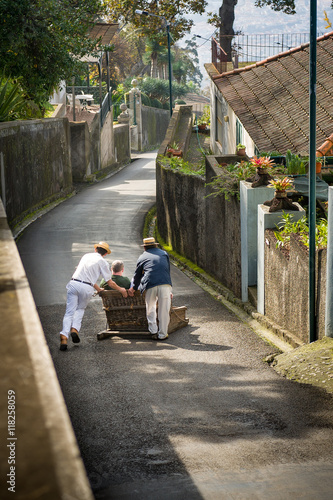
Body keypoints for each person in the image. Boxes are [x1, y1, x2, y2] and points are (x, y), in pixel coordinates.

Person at [59, 242, 128, 351]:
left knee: (69, 312)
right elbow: (109, 282)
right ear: (105, 254)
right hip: (86, 288)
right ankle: (74, 329)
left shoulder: (86, 256)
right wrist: (121, 290)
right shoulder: (103, 262)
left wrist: (98, 289)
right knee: (80, 309)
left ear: (96, 249)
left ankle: (64, 337)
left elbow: (85, 276)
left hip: (74, 283)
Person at [128, 237, 172, 341]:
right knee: (164, 310)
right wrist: (169, 290)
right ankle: (163, 334)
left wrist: (133, 288)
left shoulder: (142, 257)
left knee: (150, 308)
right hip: (165, 283)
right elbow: (166, 270)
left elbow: (137, 275)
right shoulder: (164, 254)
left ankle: (153, 331)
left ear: (145, 248)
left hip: (150, 283)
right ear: (156, 245)